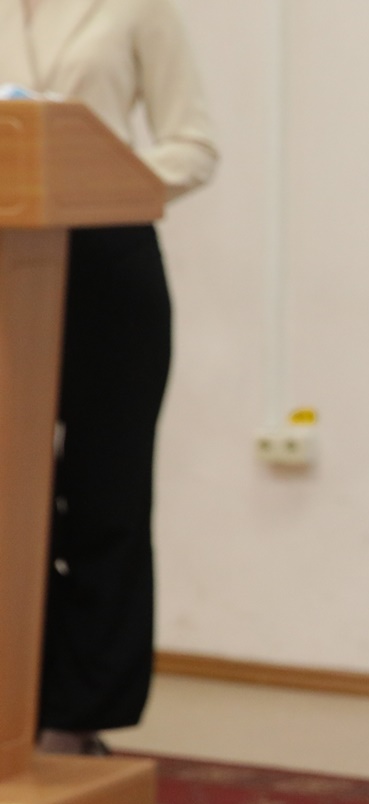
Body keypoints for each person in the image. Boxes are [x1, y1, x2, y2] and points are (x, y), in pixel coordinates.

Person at [1, 0, 218, 754]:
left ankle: (77, 717)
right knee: (10, 501)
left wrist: (97, 177)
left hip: (110, 266)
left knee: (105, 495)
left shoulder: (135, 7)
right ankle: (11, 706)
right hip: (11, 261)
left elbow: (194, 145)